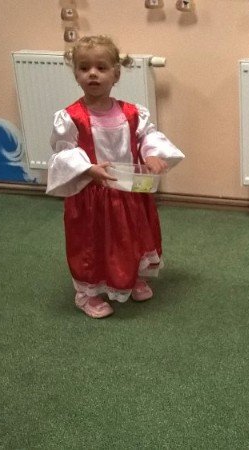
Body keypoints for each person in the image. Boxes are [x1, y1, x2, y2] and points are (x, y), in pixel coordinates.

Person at [46, 35, 184, 319]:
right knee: (93, 242)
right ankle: (87, 293)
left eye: (101, 67)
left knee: (130, 235)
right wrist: (87, 168)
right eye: (84, 68)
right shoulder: (71, 117)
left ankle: (131, 276)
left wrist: (152, 154)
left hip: (129, 190)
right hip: (92, 196)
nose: (92, 74)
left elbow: (147, 136)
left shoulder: (132, 113)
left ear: (116, 74)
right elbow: (63, 152)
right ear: (76, 74)